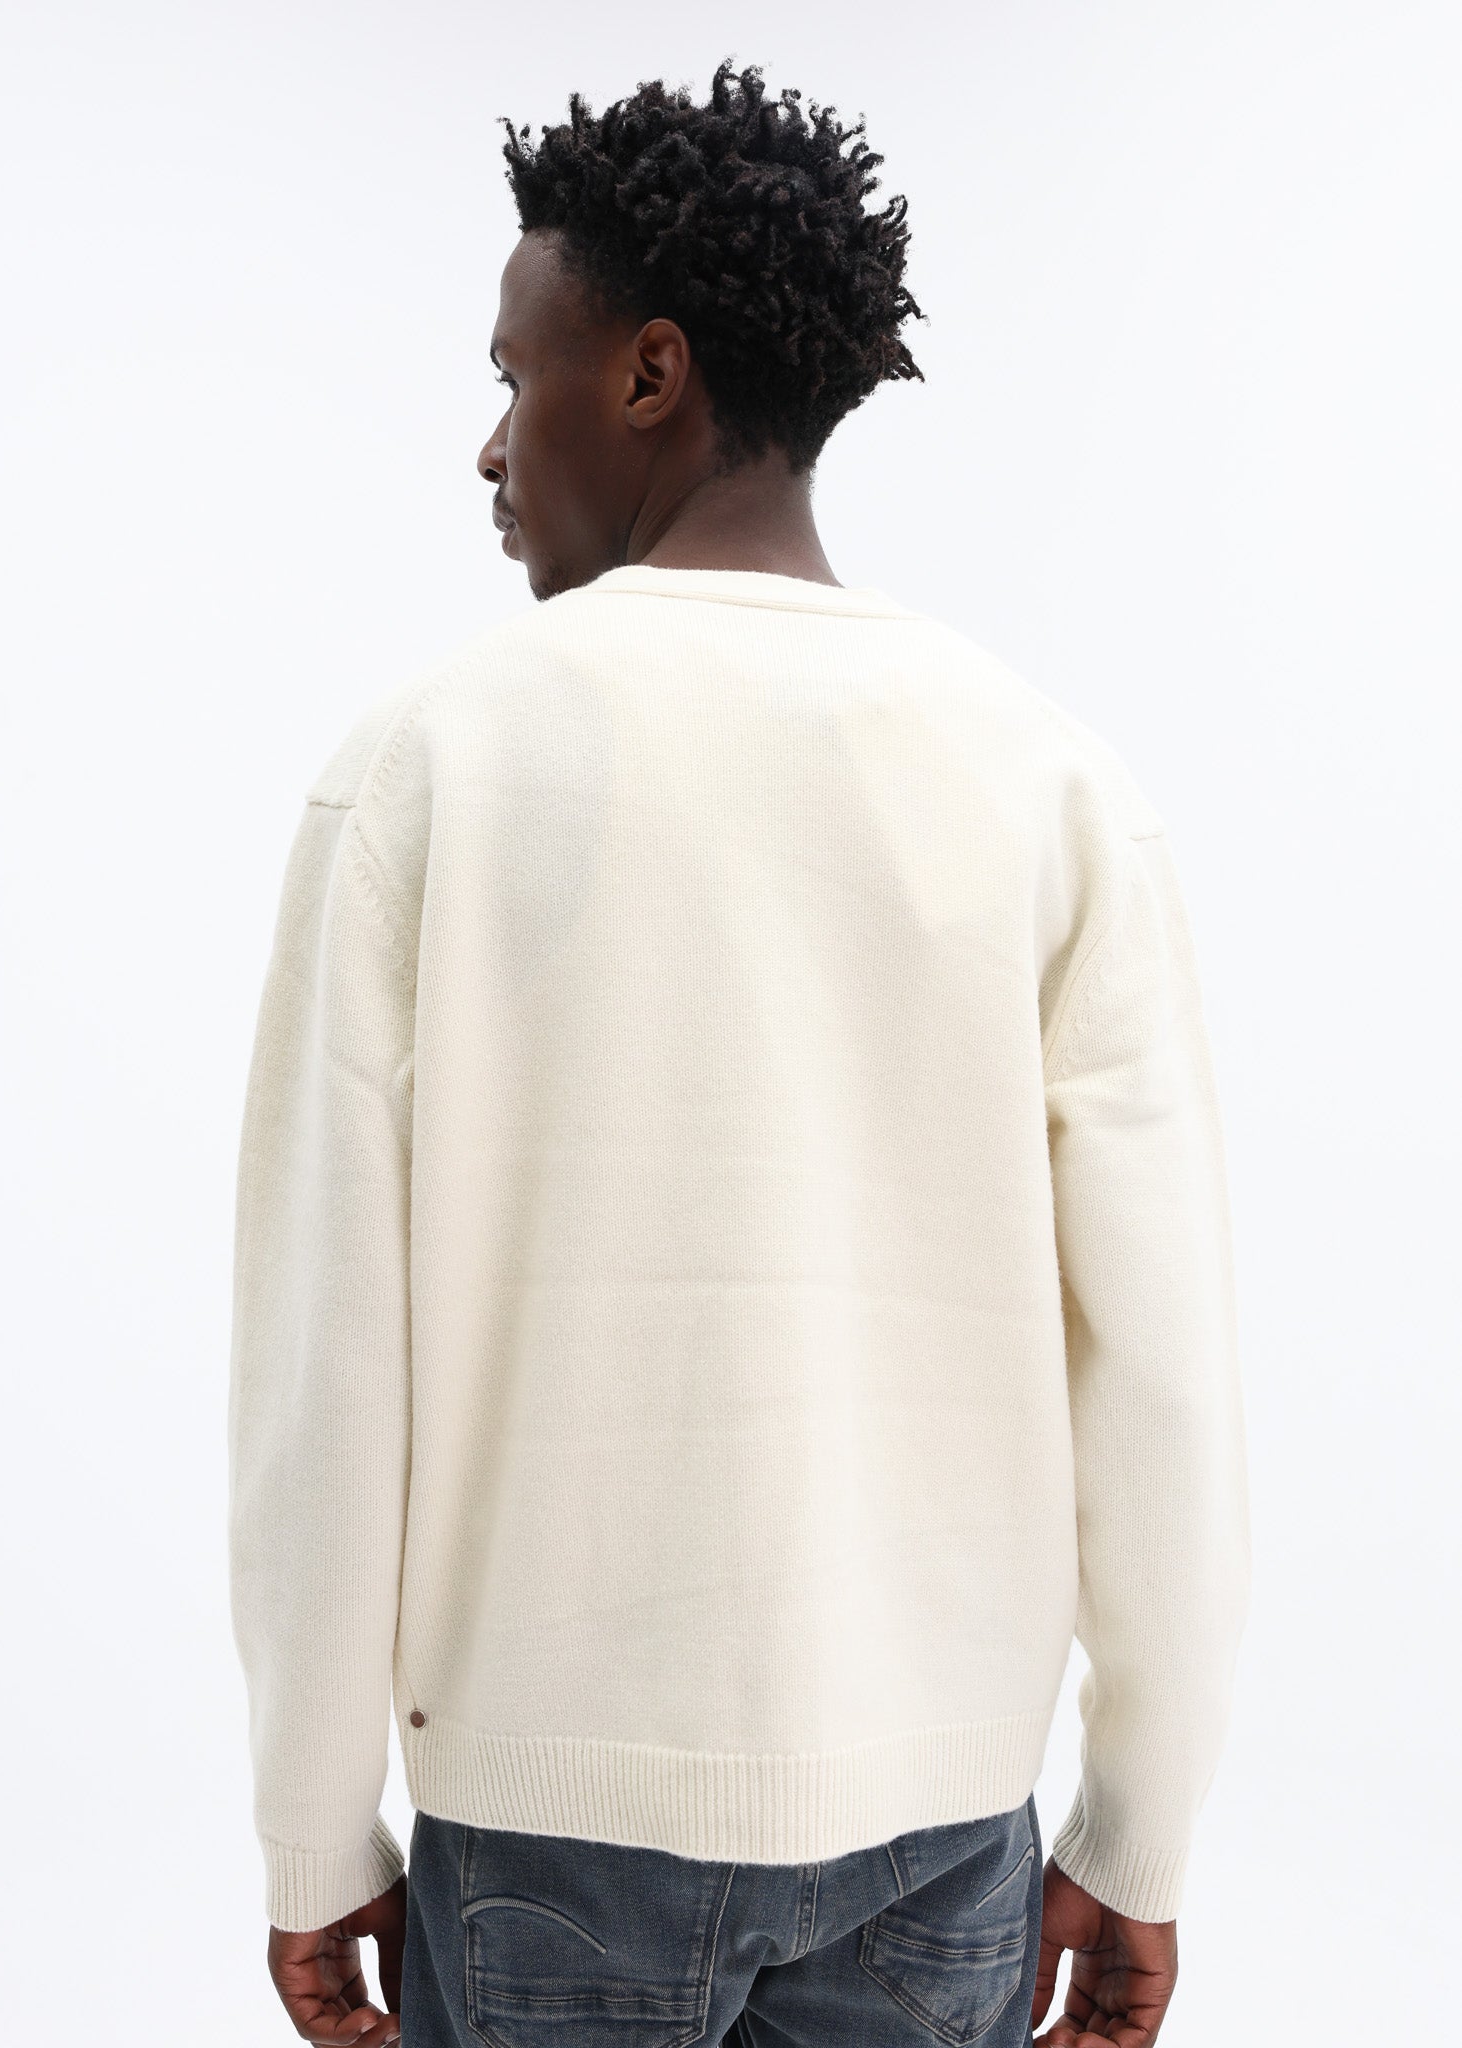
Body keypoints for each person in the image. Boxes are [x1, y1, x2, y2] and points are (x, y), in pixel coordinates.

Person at [227, 57, 1250, 2048]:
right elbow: (1162, 1371)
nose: (487, 447)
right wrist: (1139, 1828)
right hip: (937, 1832)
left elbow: (324, 1363)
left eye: (513, 373)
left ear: (648, 373)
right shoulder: (1042, 783)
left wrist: (307, 1825)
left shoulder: (424, 768)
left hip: (542, 1831)